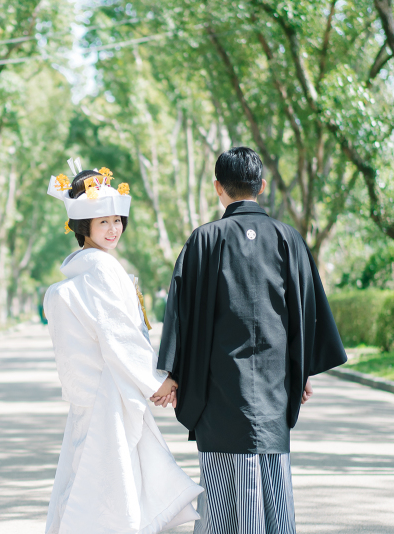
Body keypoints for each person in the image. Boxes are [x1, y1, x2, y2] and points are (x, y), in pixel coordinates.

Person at [156, 147, 347, 534]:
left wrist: (172, 374)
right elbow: (305, 314)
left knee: (223, 502)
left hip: (217, 395)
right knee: (273, 497)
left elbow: (182, 314)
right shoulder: (288, 240)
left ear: (217, 188)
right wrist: (303, 371)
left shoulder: (203, 241)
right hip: (274, 397)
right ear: (261, 185)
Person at [43, 158, 203, 534]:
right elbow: (119, 335)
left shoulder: (84, 266)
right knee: (112, 485)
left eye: (117, 220)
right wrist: (157, 381)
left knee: (93, 481)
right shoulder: (100, 268)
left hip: (96, 396)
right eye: (103, 222)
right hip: (108, 397)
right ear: (84, 226)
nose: (114, 228)